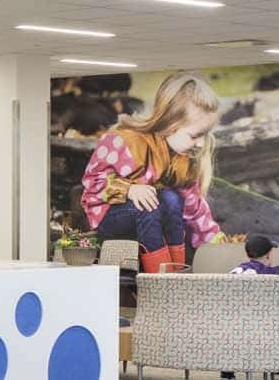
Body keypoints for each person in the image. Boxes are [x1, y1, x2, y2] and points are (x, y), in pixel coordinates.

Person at [79, 69, 224, 274]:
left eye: (205, 135)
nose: (200, 144)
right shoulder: (126, 142)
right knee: (149, 207)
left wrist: (216, 241)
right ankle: (158, 278)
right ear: (170, 124)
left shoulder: (184, 159)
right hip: (109, 217)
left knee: (171, 198)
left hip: (151, 217)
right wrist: (129, 189)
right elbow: (92, 183)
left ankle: (175, 272)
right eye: (195, 135)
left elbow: (194, 208)